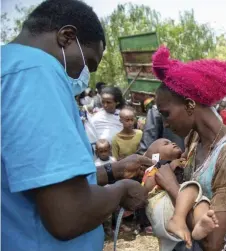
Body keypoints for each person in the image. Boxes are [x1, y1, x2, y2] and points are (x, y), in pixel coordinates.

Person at [1, 1, 152, 251]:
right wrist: (122, 190)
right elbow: (67, 215)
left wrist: (113, 172)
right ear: (67, 37)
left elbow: (35, 179)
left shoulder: (9, 66)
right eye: (88, 64)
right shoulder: (34, 73)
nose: (85, 75)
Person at [150, 46, 226, 251]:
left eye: (166, 114)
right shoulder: (194, 138)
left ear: (189, 105)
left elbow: (213, 242)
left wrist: (171, 186)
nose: (166, 124)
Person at [142, 139, 219, 249]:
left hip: (166, 218)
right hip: (160, 205)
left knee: (201, 200)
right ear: (155, 157)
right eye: (166, 144)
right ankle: (178, 219)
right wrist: (169, 166)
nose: (173, 143)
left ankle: (199, 225)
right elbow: (148, 187)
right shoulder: (157, 167)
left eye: (171, 141)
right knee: (192, 187)